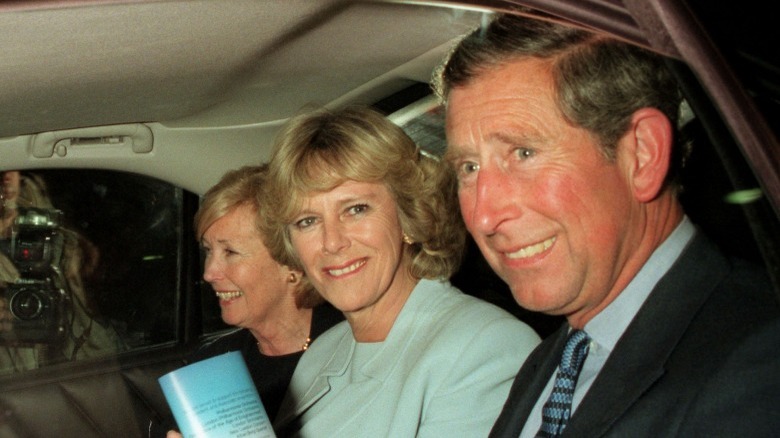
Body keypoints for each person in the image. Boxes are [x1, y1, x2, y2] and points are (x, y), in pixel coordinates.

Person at [434, 10, 780, 437]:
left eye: (523, 154)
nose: (483, 216)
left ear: (642, 154)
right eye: (468, 168)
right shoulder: (550, 364)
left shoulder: (757, 362)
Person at [259, 106, 540, 437]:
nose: (331, 242)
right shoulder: (322, 354)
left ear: (409, 215)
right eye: (307, 221)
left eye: (355, 209)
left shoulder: (485, 347)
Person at [150, 165, 343, 437]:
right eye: (208, 250)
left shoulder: (351, 348)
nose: (209, 273)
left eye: (230, 251)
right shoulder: (211, 366)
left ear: (292, 264)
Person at [0, 170, 121, 374]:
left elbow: (89, 328)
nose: (7, 178)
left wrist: (77, 264)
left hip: (61, 366)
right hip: (15, 377)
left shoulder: (54, 239)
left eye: (13, 172)